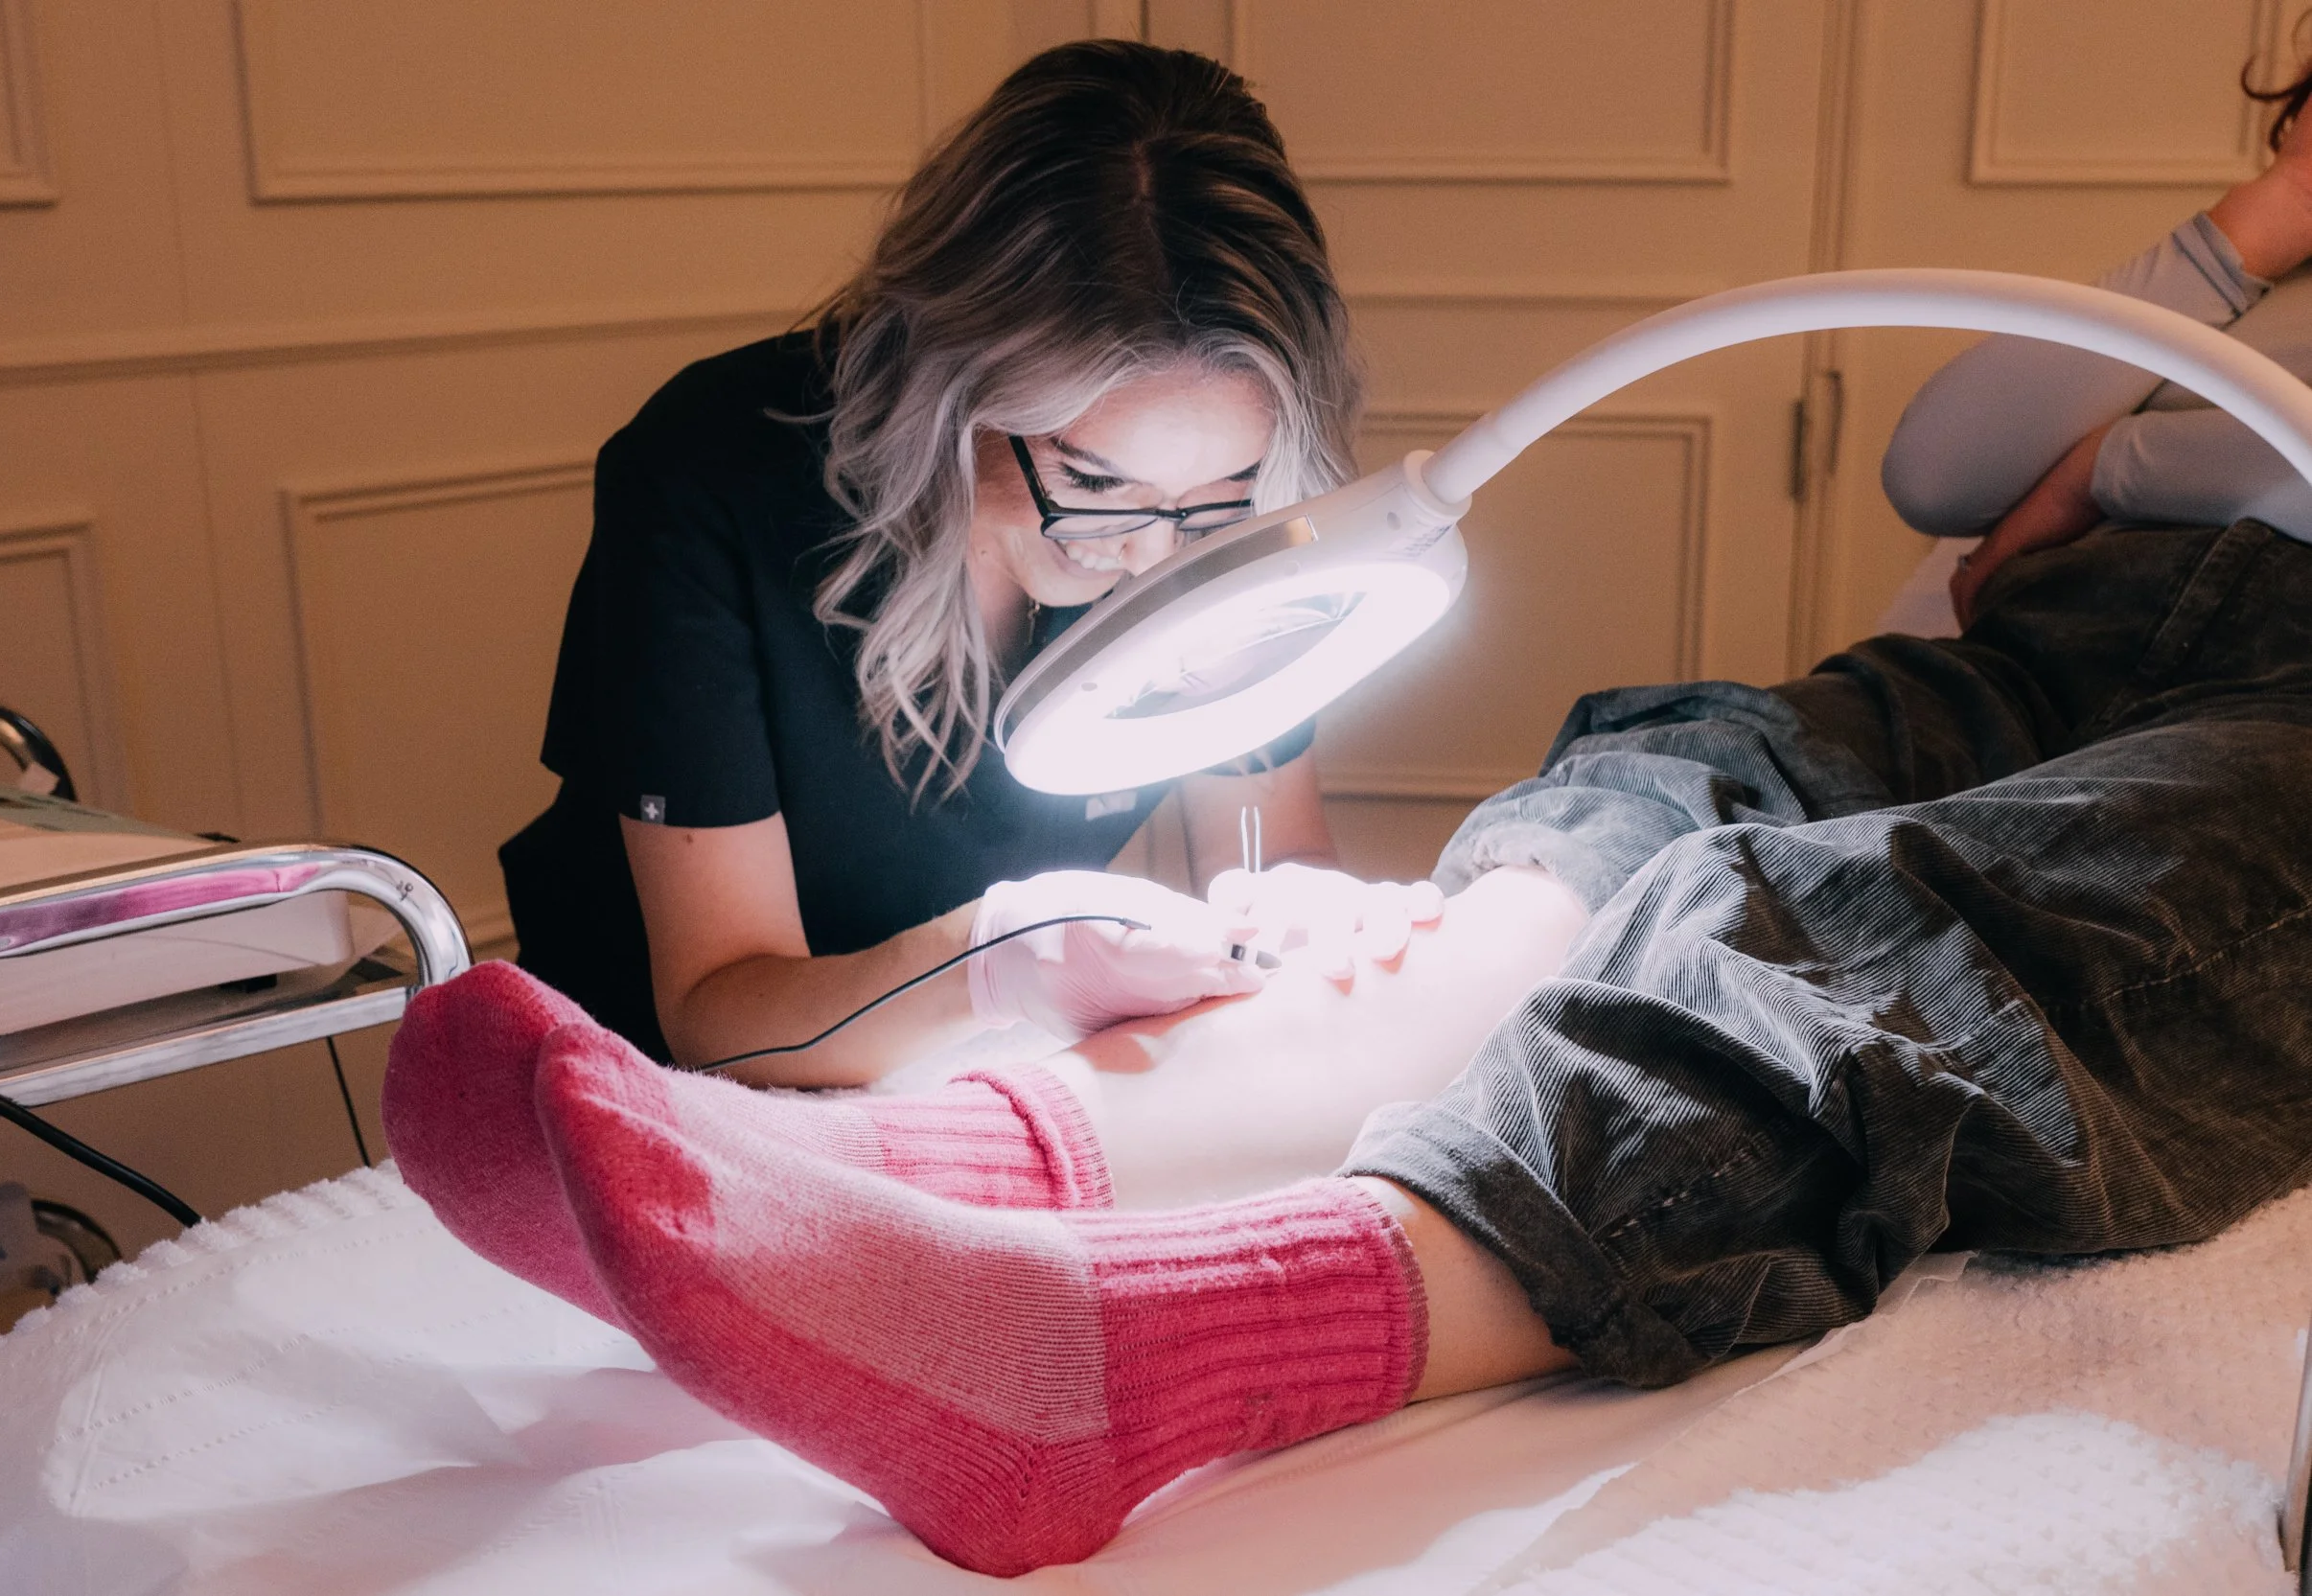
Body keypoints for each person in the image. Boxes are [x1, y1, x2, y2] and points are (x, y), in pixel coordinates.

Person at [390, 497, 2312, 1573]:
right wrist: (2257, 220)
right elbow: (1948, 448)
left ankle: (1119, 1356)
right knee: (1662, 777)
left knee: (1876, 931)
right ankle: (933, 1167)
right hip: (2077, 619)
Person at [499, 41, 1426, 1079]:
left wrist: (1299, 913)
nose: (1149, 556)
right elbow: (720, 1012)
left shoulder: (1202, 525)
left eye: (1218, 500)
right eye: (1096, 484)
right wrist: (981, 964)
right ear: (954, 388)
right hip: (653, 1089)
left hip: (969, 1074)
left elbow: (1266, 850)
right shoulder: (710, 476)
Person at [1884, 35, 2312, 622]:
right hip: (2016, 661)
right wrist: (2287, 201)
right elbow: (1932, 477)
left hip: (2246, 690)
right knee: (1734, 716)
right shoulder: (2263, 265)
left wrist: (2094, 472)